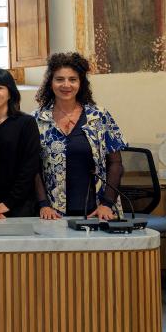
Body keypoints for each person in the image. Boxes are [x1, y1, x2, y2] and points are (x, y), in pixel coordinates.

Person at [34, 52, 127, 220]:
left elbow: (116, 164)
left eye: (73, 79)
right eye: (59, 79)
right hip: (52, 212)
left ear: (81, 83)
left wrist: (107, 204)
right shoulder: (37, 119)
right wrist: (43, 204)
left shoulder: (99, 116)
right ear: (50, 82)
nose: (66, 85)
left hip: (97, 210)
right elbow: (33, 167)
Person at [0, 68, 41, 219]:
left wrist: (7, 204)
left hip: (20, 206)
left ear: (10, 93)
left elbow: (30, 166)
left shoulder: (26, 123)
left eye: (0, 88)